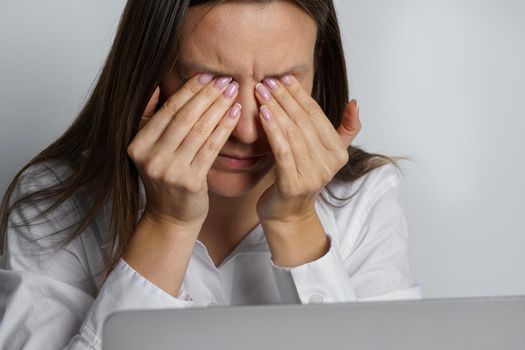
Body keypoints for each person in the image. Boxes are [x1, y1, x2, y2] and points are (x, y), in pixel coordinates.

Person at [0, 0, 421, 349]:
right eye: (213, 83)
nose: (247, 130)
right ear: (149, 74)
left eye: (279, 84)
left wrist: (296, 223)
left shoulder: (367, 198)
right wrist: (167, 225)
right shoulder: (52, 201)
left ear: (318, 71)